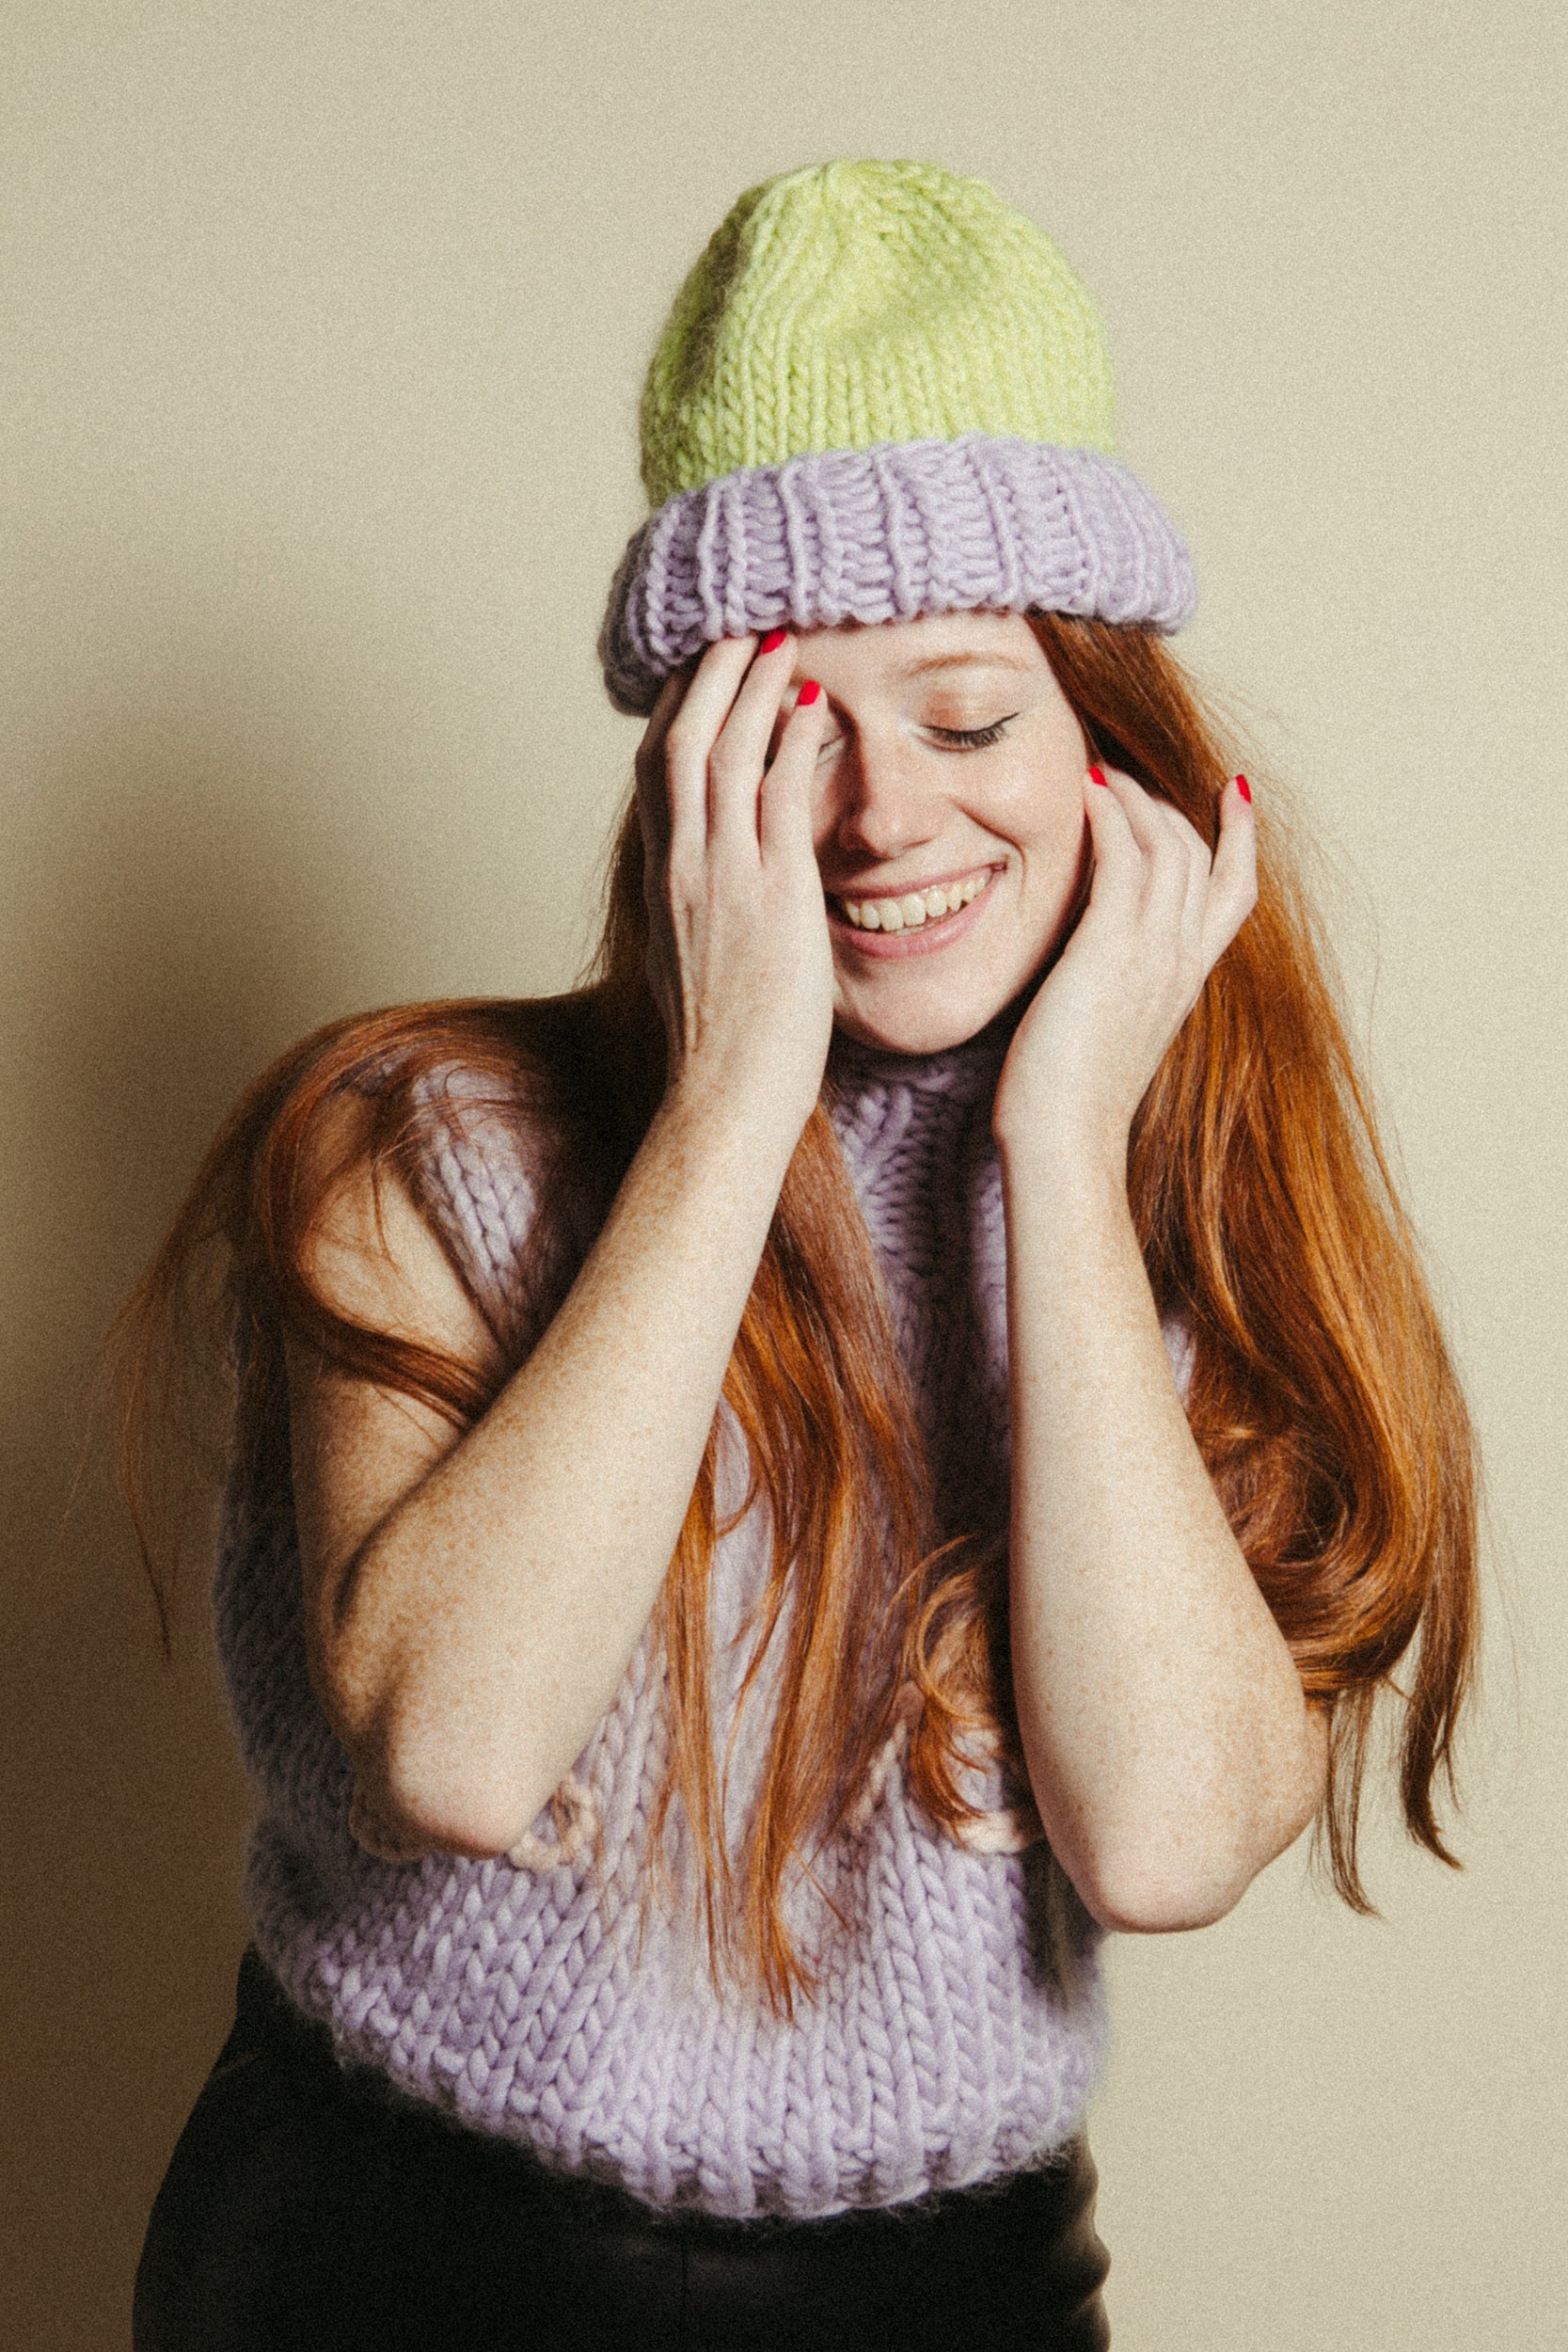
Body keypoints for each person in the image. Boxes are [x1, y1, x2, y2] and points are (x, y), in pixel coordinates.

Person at [125, 160, 1480, 2350]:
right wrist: (734, 1091)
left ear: (1114, 743)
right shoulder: (413, 1147)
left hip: (947, 2290)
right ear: (687, 766)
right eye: (793, 731)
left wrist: (1057, 1150)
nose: (882, 814)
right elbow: (447, 1750)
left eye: (969, 714)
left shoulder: (1191, 1210)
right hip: (392, 2262)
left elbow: (1166, 1841)